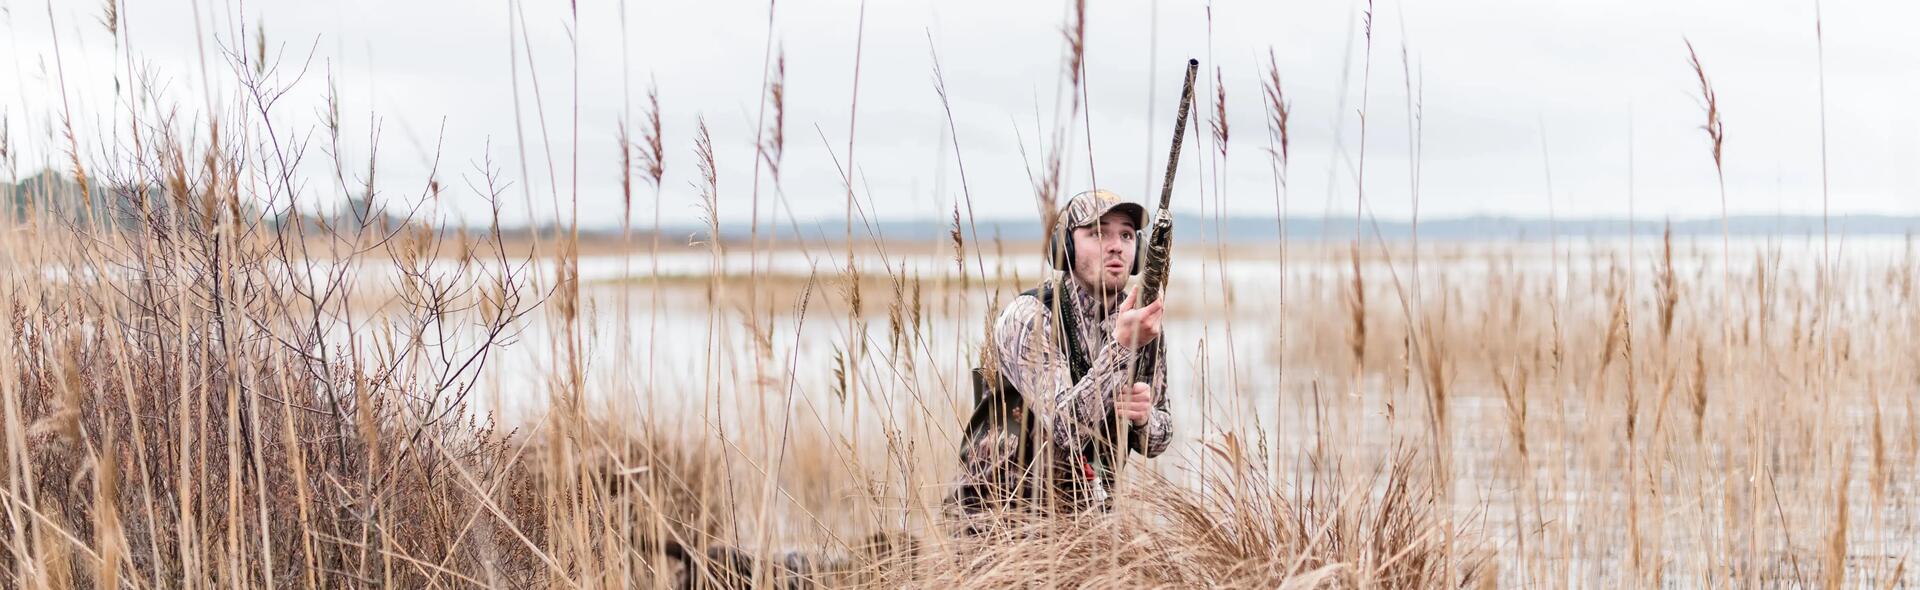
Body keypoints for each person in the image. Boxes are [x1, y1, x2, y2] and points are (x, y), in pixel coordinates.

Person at [950, 189, 1172, 526]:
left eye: (1127, 234)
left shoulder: (1142, 323)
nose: (1116, 245)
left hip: (1084, 524)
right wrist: (1122, 348)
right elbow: (1066, 431)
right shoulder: (1030, 317)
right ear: (1064, 247)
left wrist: (1143, 419)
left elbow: (1160, 437)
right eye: (1098, 233)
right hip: (998, 520)